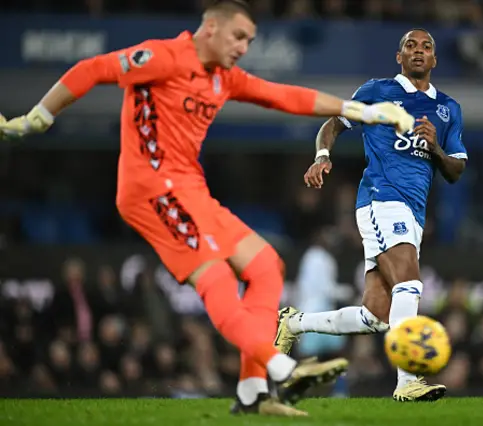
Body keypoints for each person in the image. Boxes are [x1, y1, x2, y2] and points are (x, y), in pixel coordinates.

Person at [0, 0, 415, 416]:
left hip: (190, 191)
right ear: (210, 27)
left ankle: (253, 391)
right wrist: (39, 116)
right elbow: (91, 69)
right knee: (215, 276)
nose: (243, 47)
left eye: (250, 41)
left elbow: (282, 95)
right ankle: (282, 367)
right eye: (238, 37)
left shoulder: (223, 78)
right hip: (150, 189)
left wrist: (361, 110)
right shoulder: (161, 57)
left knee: (266, 266)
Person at [275, 28, 468, 402]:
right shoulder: (377, 91)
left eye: (426, 47)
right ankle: (408, 380)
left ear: (434, 60)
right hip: (381, 199)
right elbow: (333, 123)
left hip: (413, 211)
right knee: (409, 284)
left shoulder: (449, 109)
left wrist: (435, 148)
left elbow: (455, 170)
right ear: (399, 56)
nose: (418, 51)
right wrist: (322, 156)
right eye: (410, 46)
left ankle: (293, 323)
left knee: (376, 315)